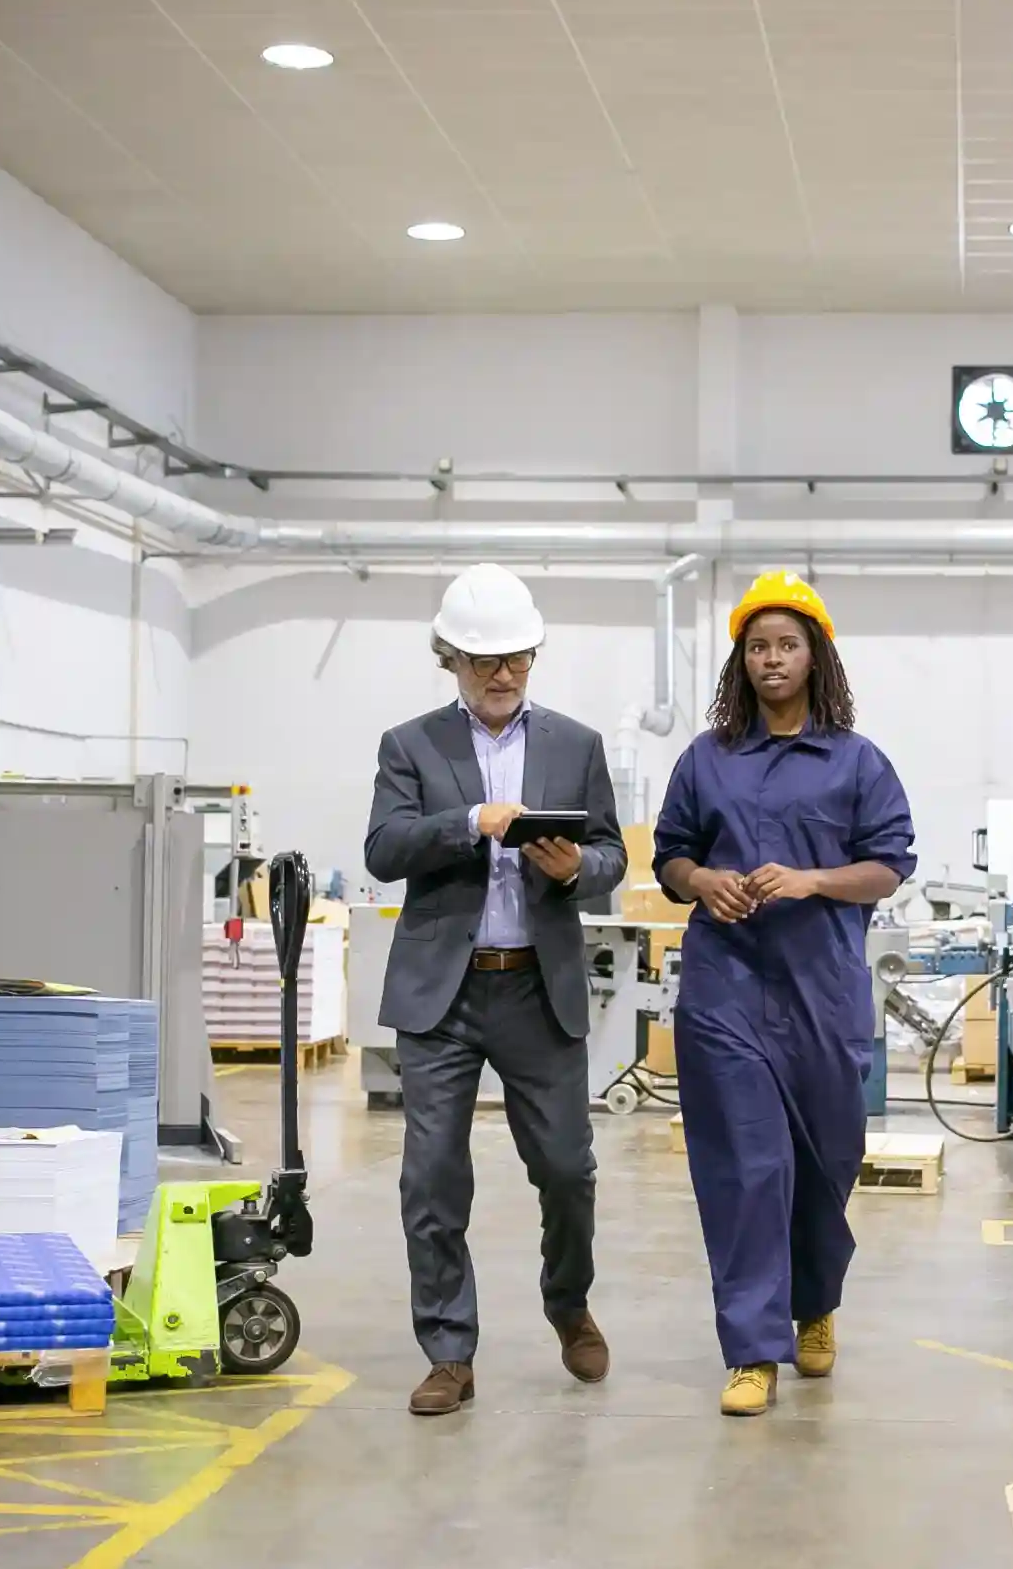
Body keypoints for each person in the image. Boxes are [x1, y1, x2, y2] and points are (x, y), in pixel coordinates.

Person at [365, 562, 628, 1417]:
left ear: (534, 654)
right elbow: (384, 849)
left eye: (516, 657)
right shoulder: (409, 745)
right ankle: (449, 1350)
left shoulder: (575, 746)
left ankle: (568, 1302)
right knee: (432, 1179)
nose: (503, 674)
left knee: (566, 1171)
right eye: (484, 661)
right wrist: (464, 826)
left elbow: (612, 860)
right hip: (443, 998)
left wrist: (574, 867)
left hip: (535, 992)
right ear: (449, 660)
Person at [652, 571, 916, 1416]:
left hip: (821, 992)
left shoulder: (856, 762)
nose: (772, 659)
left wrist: (809, 882)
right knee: (744, 1166)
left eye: (787, 645)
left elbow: (890, 865)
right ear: (743, 658)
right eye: (758, 646)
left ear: (814, 656)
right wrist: (703, 882)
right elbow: (669, 857)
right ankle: (752, 1351)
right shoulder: (707, 758)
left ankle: (816, 1304)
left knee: (823, 1163)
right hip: (725, 991)